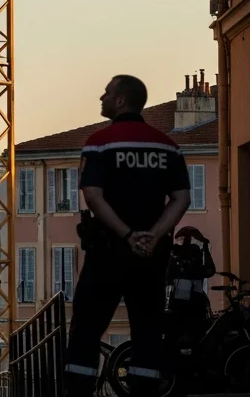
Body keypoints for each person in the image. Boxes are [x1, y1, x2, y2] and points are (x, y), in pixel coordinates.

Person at [65, 75, 191, 397]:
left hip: (108, 253)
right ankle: (145, 391)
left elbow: (93, 195)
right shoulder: (168, 147)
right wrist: (153, 236)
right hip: (151, 258)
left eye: (107, 93)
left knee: (87, 329)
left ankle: (80, 390)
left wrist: (127, 235)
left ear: (121, 101)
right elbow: (181, 198)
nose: (101, 98)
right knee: (148, 329)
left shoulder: (100, 143)